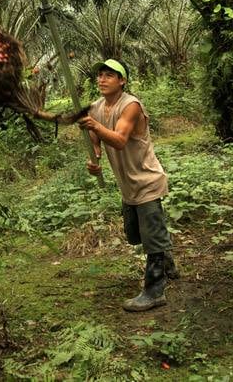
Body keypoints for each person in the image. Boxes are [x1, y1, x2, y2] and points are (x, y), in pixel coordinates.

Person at [78, 58, 179, 312]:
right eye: (100, 75)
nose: (102, 79)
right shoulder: (97, 107)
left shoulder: (130, 105)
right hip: (127, 185)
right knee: (136, 235)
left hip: (146, 180)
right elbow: (95, 139)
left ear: (122, 80)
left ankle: (155, 291)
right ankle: (168, 264)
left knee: (151, 240)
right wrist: (95, 158)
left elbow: (120, 140)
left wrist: (96, 126)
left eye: (109, 75)